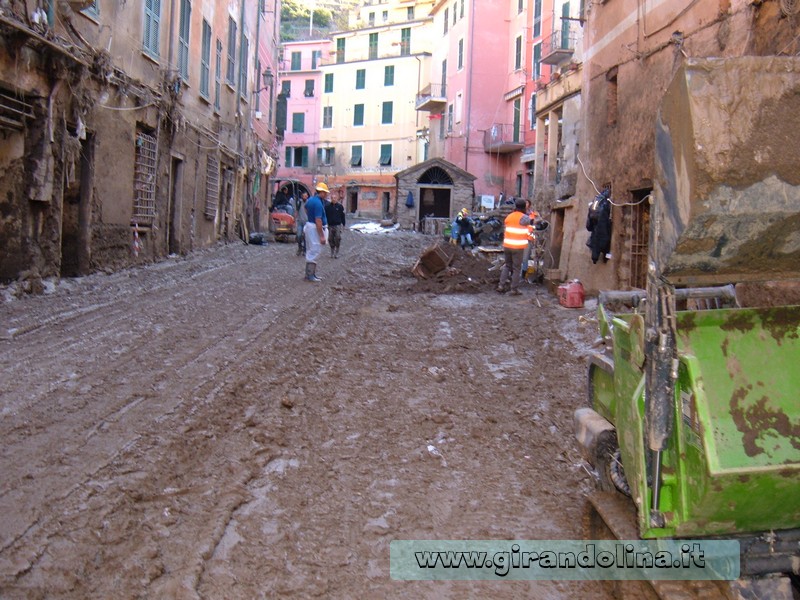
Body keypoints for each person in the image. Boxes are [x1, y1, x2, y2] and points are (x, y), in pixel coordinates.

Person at [497, 198, 531, 296]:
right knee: (517, 268)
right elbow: (532, 222)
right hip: (517, 247)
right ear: (524, 207)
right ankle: (514, 289)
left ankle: (501, 285)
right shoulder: (524, 217)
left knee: (507, 265)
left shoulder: (509, 217)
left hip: (507, 245)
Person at [303, 182, 329, 282]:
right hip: (314, 227)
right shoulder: (318, 203)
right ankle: (310, 275)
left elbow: (305, 208)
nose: (326, 195)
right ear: (321, 192)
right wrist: (322, 236)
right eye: (325, 192)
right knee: (315, 249)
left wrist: (310, 215)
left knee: (311, 249)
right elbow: (318, 220)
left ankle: (310, 274)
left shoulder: (310, 200)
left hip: (310, 225)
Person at [324, 190, 346, 258]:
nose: (333, 199)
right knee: (330, 238)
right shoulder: (327, 207)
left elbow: (342, 216)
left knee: (337, 237)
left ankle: (337, 250)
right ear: (331, 199)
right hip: (330, 225)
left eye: (335, 198)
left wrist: (343, 224)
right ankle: (332, 250)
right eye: (332, 198)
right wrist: (325, 223)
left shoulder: (340, 207)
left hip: (337, 225)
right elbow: (325, 215)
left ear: (337, 199)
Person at [295, 189, 309, 256]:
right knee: (299, 236)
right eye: (303, 196)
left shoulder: (309, 203)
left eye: (306, 196)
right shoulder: (299, 203)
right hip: (300, 222)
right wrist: (295, 219)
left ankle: (305, 250)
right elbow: (296, 211)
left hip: (307, 222)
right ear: (302, 196)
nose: (304, 197)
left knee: (305, 236)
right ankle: (300, 247)